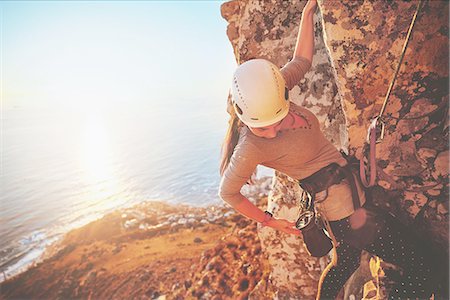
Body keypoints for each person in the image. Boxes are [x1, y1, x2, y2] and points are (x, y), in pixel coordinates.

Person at [218, 0, 437, 299]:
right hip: (345, 214)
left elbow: (302, 60)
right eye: (262, 127)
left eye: (277, 120)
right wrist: (272, 221)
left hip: (346, 196)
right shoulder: (250, 147)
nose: (271, 131)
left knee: (345, 263)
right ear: (245, 116)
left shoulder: (274, 90)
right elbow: (228, 193)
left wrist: (309, 12)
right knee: (422, 264)